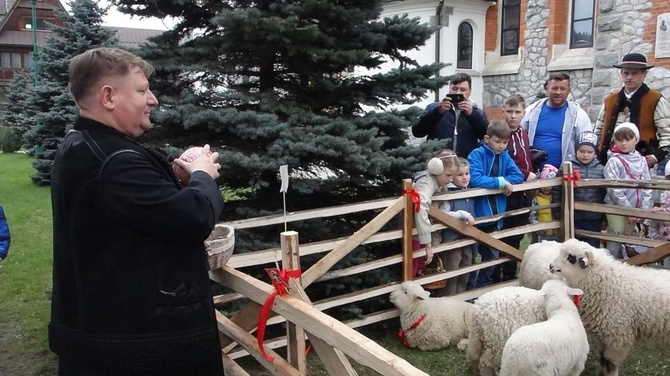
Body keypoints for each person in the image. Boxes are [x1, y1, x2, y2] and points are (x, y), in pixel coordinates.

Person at [49, 47, 225, 375]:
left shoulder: (83, 145)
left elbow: (129, 217)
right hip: (135, 351)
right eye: (142, 90)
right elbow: (196, 217)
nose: (153, 99)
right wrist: (202, 173)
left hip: (107, 339)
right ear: (109, 96)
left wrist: (173, 182)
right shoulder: (114, 163)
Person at [468, 121, 524, 288]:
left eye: (505, 142)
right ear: (487, 139)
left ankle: (483, 285)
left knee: (492, 255)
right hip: (476, 216)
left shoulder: (505, 157)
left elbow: (518, 175)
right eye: (497, 141)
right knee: (471, 256)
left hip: (495, 216)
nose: (501, 146)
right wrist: (501, 182)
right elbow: (476, 178)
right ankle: (469, 289)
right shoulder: (476, 155)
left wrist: (505, 182)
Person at [594, 53, 670, 168]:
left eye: (634, 73)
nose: (629, 77)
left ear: (644, 74)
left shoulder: (655, 100)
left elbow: (667, 135)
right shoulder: (609, 100)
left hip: (641, 164)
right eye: (626, 73)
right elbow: (598, 132)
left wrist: (655, 157)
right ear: (621, 73)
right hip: (607, 162)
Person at [493, 95, 536, 283]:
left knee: (517, 234)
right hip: (508, 191)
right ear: (503, 112)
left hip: (524, 192)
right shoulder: (500, 135)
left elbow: (524, 156)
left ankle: (510, 274)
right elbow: (505, 161)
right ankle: (495, 275)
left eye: (517, 112)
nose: (513, 116)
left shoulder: (523, 133)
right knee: (502, 235)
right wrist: (526, 174)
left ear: (523, 113)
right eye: (509, 112)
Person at [520, 72, 593, 169]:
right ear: (546, 88)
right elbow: (518, 137)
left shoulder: (579, 115)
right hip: (532, 173)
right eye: (554, 88)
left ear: (569, 90)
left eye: (562, 89)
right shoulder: (531, 111)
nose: (558, 92)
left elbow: (587, 147)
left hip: (565, 174)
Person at [603, 123, 653, 259]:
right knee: (616, 237)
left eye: (628, 139)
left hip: (636, 209)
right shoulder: (614, 161)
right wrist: (628, 210)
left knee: (630, 239)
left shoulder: (642, 161)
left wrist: (643, 209)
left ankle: (628, 269)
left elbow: (647, 186)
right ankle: (610, 266)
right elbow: (614, 188)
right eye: (619, 140)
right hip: (617, 208)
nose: (623, 143)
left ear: (636, 140)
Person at [412, 73, 489, 158]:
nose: (458, 93)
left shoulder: (477, 112)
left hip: (464, 164)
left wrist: (472, 115)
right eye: (454, 89)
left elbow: (486, 136)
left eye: (462, 90)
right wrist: (438, 112)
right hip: (438, 162)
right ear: (449, 89)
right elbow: (417, 132)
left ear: (470, 92)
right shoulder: (434, 108)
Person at [553, 131, 606, 248]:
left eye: (590, 152)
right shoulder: (567, 167)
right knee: (572, 246)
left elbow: (604, 193)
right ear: (576, 150)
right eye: (582, 151)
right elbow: (557, 190)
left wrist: (603, 216)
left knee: (592, 246)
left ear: (595, 152)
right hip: (572, 215)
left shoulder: (601, 170)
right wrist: (557, 210)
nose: (585, 155)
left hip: (593, 217)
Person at [411, 150, 460, 277]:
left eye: (453, 176)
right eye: (448, 175)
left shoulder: (439, 181)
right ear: (436, 169)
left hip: (423, 230)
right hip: (415, 232)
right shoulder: (425, 183)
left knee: (421, 266)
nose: (451, 180)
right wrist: (427, 244)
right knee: (413, 266)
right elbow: (420, 207)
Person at [438, 157, 476, 295]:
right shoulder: (449, 194)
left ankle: (462, 296)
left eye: (467, 174)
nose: (465, 177)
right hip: (452, 239)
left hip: (467, 238)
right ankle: (450, 299)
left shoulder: (470, 191)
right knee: (452, 271)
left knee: (466, 269)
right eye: (460, 175)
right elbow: (444, 214)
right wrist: (462, 215)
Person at [530, 164, 560, 243]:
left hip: (559, 232)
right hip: (544, 233)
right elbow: (532, 215)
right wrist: (538, 227)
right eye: (543, 184)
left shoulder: (558, 198)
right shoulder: (536, 199)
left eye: (549, 185)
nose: (546, 187)